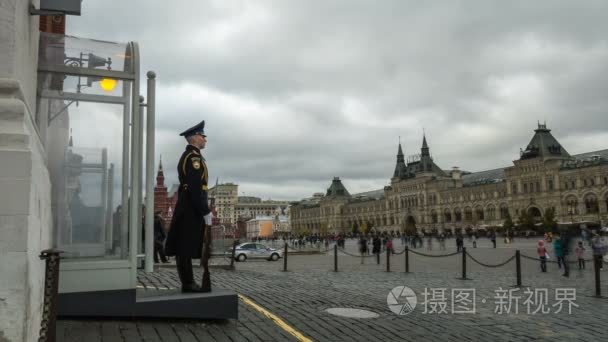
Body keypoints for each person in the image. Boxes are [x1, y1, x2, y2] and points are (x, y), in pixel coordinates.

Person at [165, 120, 213, 293]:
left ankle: (188, 282)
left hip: (188, 205)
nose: (205, 139)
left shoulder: (193, 156)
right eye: (203, 136)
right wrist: (205, 210)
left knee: (184, 245)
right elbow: (195, 187)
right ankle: (188, 283)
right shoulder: (193, 158)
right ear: (195, 138)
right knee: (184, 246)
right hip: (190, 207)